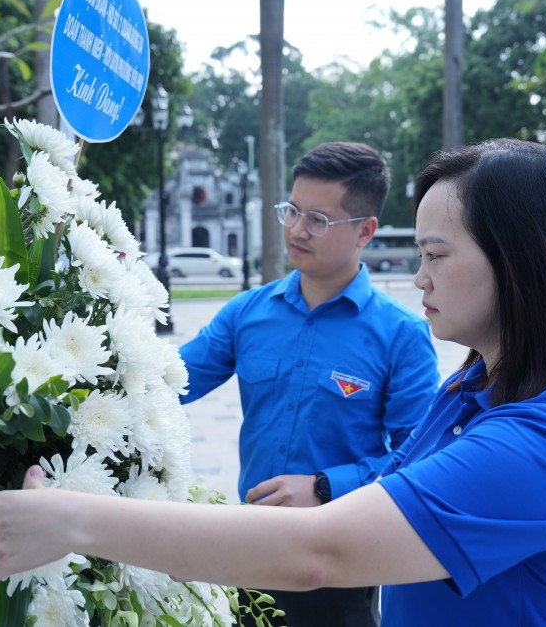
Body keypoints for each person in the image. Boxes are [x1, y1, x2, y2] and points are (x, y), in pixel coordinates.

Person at [0, 139, 546, 626]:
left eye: (434, 254)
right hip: (269, 548)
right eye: (293, 210)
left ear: (520, 261)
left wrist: (77, 520)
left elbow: (321, 550)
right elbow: (167, 380)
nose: (419, 276)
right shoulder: (476, 387)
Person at [176, 141, 440, 626]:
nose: (296, 230)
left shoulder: (400, 335)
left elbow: (419, 460)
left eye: (317, 219)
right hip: (248, 554)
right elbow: (167, 382)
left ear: (365, 230)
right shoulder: (247, 314)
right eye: (291, 210)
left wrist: (324, 487)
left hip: (339, 568)